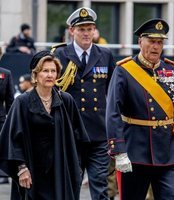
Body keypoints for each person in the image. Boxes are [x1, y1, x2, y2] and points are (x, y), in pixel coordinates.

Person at [106, 18, 174, 200]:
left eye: (160, 42)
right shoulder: (124, 71)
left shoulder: (173, 72)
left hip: (167, 153)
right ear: (140, 42)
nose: (155, 46)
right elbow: (113, 112)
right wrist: (119, 150)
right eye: (151, 41)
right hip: (134, 154)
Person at [0, 50, 89, 200]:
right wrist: (21, 168)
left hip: (60, 170)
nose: (50, 75)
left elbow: (79, 136)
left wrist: (77, 167)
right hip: (32, 170)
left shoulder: (66, 100)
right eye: (45, 71)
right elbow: (12, 139)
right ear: (35, 75)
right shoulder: (22, 102)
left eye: (53, 71)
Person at [53, 7, 115, 200]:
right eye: (81, 29)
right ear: (72, 31)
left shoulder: (105, 55)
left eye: (89, 29)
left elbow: (113, 93)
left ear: (94, 30)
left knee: (100, 186)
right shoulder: (60, 55)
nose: (86, 33)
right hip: (70, 132)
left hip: (98, 133)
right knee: (71, 186)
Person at [0, 67, 14, 184]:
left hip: (1, 119)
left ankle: (3, 174)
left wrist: (12, 121)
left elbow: (10, 100)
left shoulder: (5, 74)